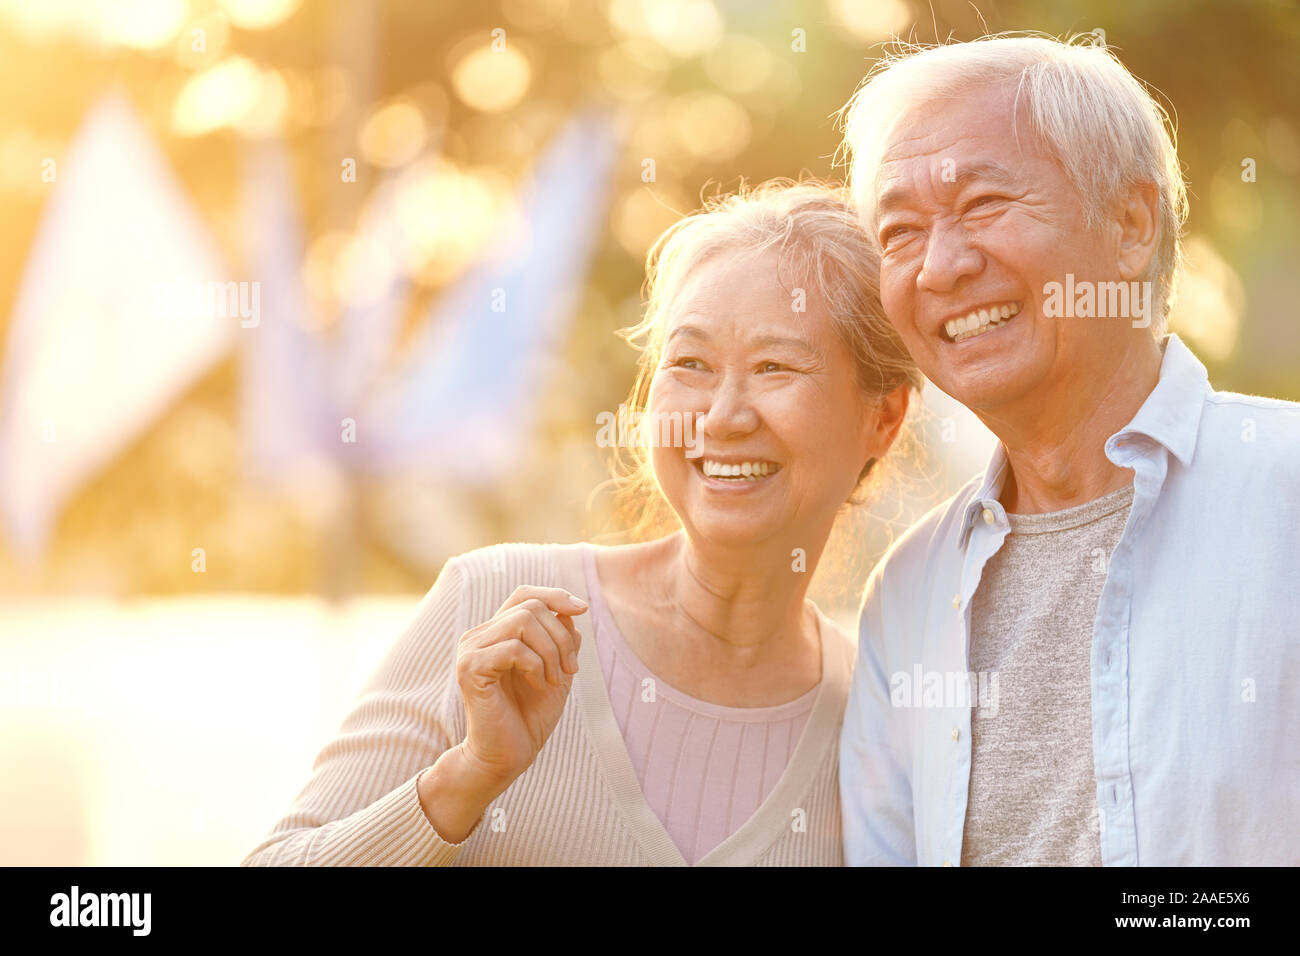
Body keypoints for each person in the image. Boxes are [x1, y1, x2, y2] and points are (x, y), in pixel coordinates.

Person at [241, 179, 919, 866]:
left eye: (775, 367)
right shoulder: (493, 604)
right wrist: (473, 773)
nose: (720, 416)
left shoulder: (874, 727)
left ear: (883, 418)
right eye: (689, 364)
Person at [835, 33, 1300, 866]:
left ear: (1129, 225)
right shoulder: (907, 594)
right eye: (900, 231)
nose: (940, 266)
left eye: (982, 206)